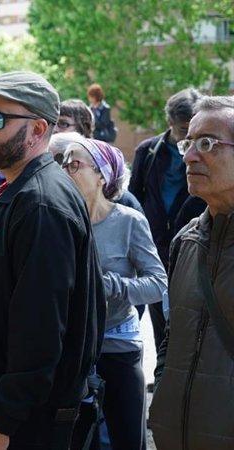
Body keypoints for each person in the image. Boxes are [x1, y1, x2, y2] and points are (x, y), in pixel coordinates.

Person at [0, 71, 104, 450]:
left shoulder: (41, 203)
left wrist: (2, 426)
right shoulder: (16, 190)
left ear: (38, 129)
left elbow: (40, 332)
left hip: (29, 427)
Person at [61, 138, 167, 449]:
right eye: (64, 163)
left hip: (118, 346)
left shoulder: (129, 221)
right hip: (72, 349)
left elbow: (158, 284)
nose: (65, 170)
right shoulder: (59, 219)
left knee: (127, 439)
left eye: (75, 164)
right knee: (77, 441)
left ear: (102, 175)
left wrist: (109, 284)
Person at [149, 95, 234, 450]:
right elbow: (174, 332)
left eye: (207, 144)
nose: (189, 156)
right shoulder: (186, 240)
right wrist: (163, 388)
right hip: (177, 435)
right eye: (188, 143)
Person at [129, 88, 207, 354]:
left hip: (194, 246)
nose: (188, 137)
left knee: (192, 317)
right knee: (159, 318)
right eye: (183, 129)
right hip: (155, 248)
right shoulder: (147, 152)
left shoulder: (206, 155)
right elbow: (133, 198)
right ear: (170, 123)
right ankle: (162, 376)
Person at [49, 132, 143, 214]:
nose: (63, 171)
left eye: (73, 165)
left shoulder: (130, 219)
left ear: (102, 176)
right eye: (63, 165)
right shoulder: (54, 210)